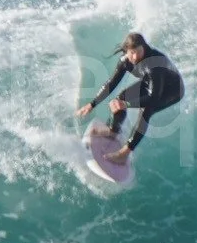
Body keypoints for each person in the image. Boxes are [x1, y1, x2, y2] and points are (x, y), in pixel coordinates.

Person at [77, 32, 183, 163]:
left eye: (139, 51)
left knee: (146, 110)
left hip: (173, 90)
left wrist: (126, 105)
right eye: (132, 52)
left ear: (144, 47)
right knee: (122, 97)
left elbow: (154, 98)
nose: (135, 56)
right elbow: (111, 83)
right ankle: (113, 131)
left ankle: (125, 153)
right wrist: (92, 104)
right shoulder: (125, 61)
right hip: (150, 83)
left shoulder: (154, 64)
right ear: (126, 50)